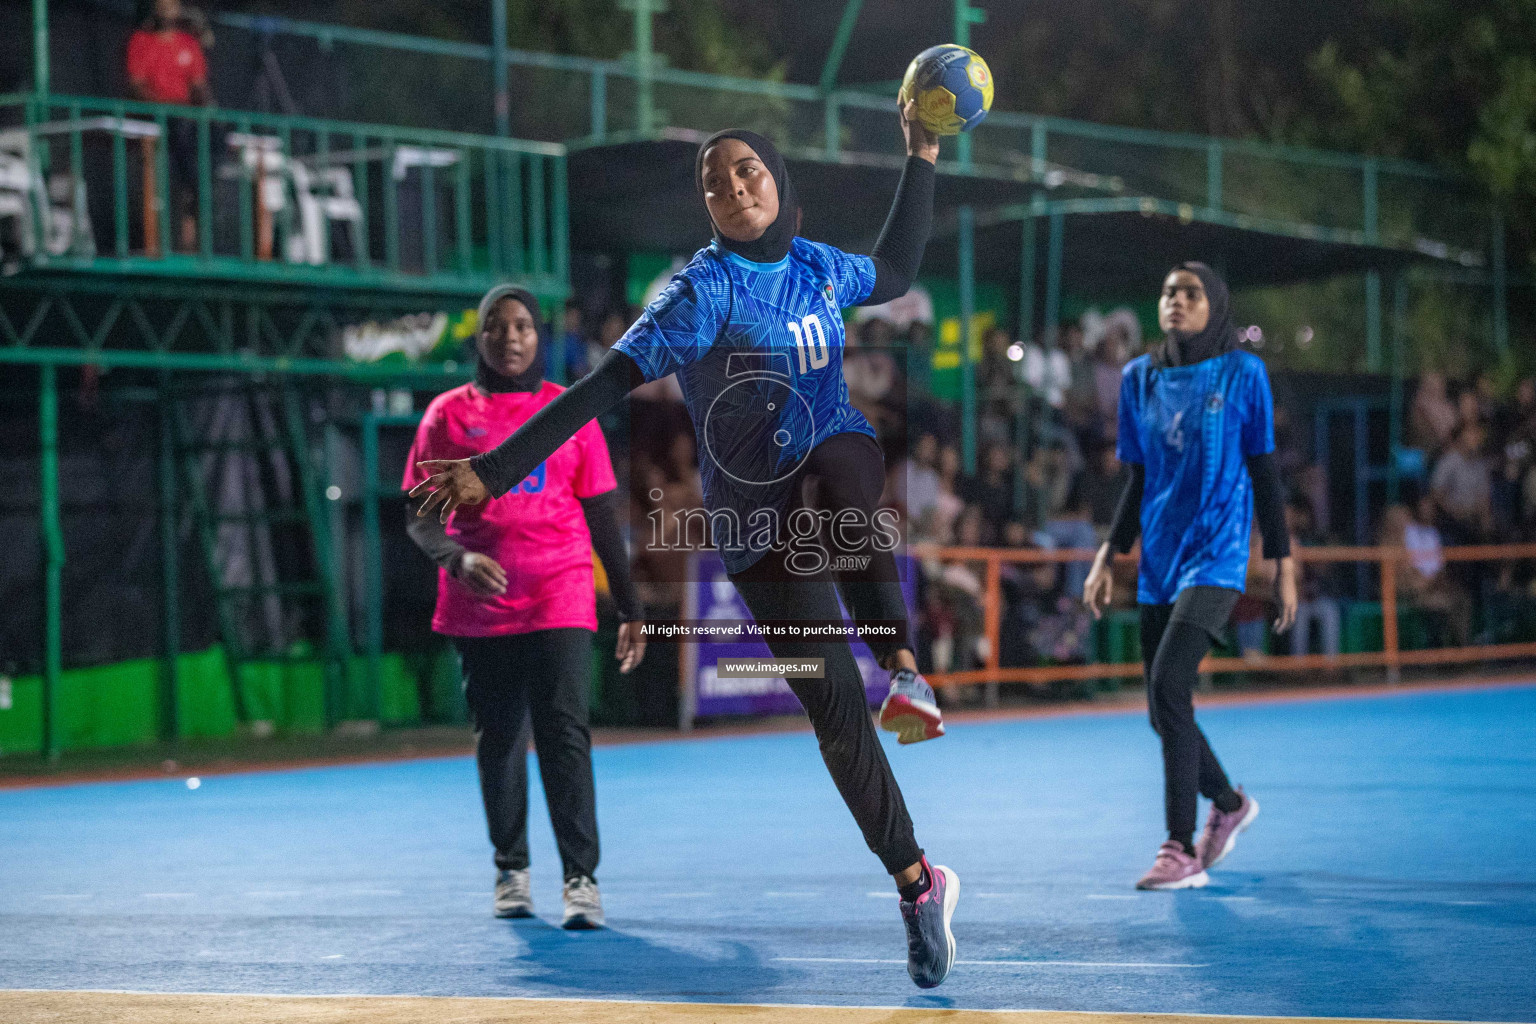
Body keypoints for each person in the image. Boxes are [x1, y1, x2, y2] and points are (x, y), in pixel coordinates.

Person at [410, 105, 960, 989]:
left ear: (782, 184)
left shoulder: (818, 266)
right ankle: (916, 881)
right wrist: (499, 466)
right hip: (753, 530)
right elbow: (601, 385)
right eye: (713, 181)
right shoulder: (700, 293)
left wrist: (922, 154)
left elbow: (894, 267)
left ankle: (900, 655)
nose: (733, 186)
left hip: (829, 473)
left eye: (747, 170)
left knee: (842, 467)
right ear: (705, 208)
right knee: (834, 717)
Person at [403, 285, 646, 930]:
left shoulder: (571, 412)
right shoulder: (447, 416)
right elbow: (421, 519)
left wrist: (630, 607)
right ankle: (511, 868)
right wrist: (455, 559)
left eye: (522, 326)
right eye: (495, 327)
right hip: (480, 603)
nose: (509, 338)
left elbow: (603, 515)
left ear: (541, 336)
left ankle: (581, 880)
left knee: (565, 731)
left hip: (560, 590)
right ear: (478, 338)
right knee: (500, 738)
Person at [1083, 262, 1296, 891]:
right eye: (1169, 292)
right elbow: (1138, 480)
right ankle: (1228, 806)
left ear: (1216, 306)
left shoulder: (1243, 375)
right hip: (1160, 563)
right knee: (1162, 708)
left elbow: (1265, 474)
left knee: (1170, 688)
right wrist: (1107, 554)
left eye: (1191, 293)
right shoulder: (1138, 379)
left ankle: (1178, 849)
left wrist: (1282, 565)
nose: (1176, 301)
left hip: (1220, 557)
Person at [126, 0, 211, 253]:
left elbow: (199, 86)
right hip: (154, 118)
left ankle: (198, 202)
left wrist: (205, 108)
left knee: (213, 137)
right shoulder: (141, 41)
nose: (167, 9)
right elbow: (137, 85)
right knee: (178, 139)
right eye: (161, 4)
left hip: (185, 121)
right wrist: (166, 108)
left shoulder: (189, 43)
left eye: (171, 4)